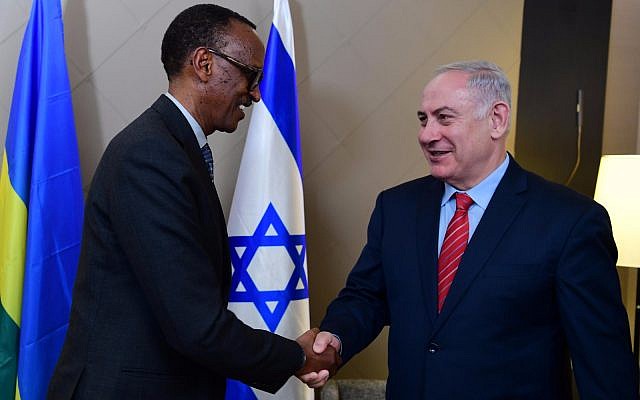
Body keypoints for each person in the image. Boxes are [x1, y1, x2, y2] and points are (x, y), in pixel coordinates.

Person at [48, 4, 338, 399]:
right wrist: (295, 357)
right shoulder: (150, 156)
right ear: (204, 63)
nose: (255, 93)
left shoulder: (172, 149)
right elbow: (195, 325)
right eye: (251, 74)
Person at [301, 61, 638, 398]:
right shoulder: (397, 207)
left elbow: (604, 364)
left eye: (444, 118)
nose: (427, 135)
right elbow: (367, 296)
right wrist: (336, 337)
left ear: (497, 119)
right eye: (423, 119)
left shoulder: (570, 221)